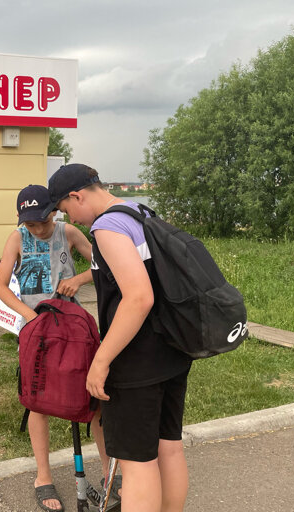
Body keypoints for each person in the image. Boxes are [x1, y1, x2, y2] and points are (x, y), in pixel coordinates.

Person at [46, 164, 192, 512]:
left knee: (137, 464)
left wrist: (101, 361)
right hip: (172, 350)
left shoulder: (107, 227)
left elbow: (139, 298)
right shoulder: (140, 213)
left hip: (136, 360)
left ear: (77, 196)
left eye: (66, 210)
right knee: (169, 448)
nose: (72, 219)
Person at [0, 184, 110, 512]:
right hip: (36, 333)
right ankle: (42, 476)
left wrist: (79, 279)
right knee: (38, 401)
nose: (37, 229)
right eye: (30, 224)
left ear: (54, 212)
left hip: (72, 330)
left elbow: (104, 263)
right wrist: (31, 317)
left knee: (93, 396)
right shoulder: (17, 239)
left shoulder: (68, 232)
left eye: (43, 222)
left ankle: (109, 472)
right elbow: (0, 286)